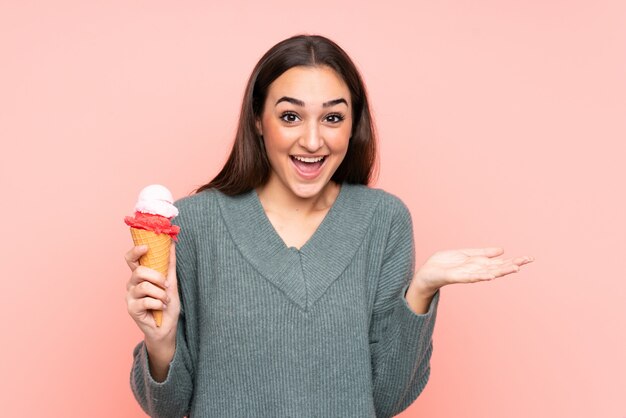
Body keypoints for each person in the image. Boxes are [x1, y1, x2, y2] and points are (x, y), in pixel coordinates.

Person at [124, 34, 534, 418]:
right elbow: (168, 407)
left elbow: (386, 399)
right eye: (290, 116)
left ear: (353, 125)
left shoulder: (383, 220)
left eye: (333, 117)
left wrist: (422, 289)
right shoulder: (195, 223)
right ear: (257, 121)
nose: (313, 141)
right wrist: (160, 341)